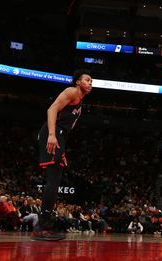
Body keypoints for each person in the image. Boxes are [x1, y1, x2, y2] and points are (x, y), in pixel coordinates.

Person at [32, 70, 92, 241]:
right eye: (87, 80)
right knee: (53, 179)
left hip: (60, 135)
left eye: (91, 81)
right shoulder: (71, 91)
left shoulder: (80, 99)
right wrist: (52, 134)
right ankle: (41, 227)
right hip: (53, 133)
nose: (90, 83)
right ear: (78, 82)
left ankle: (46, 224)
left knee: (56, 180)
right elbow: (51, 109)